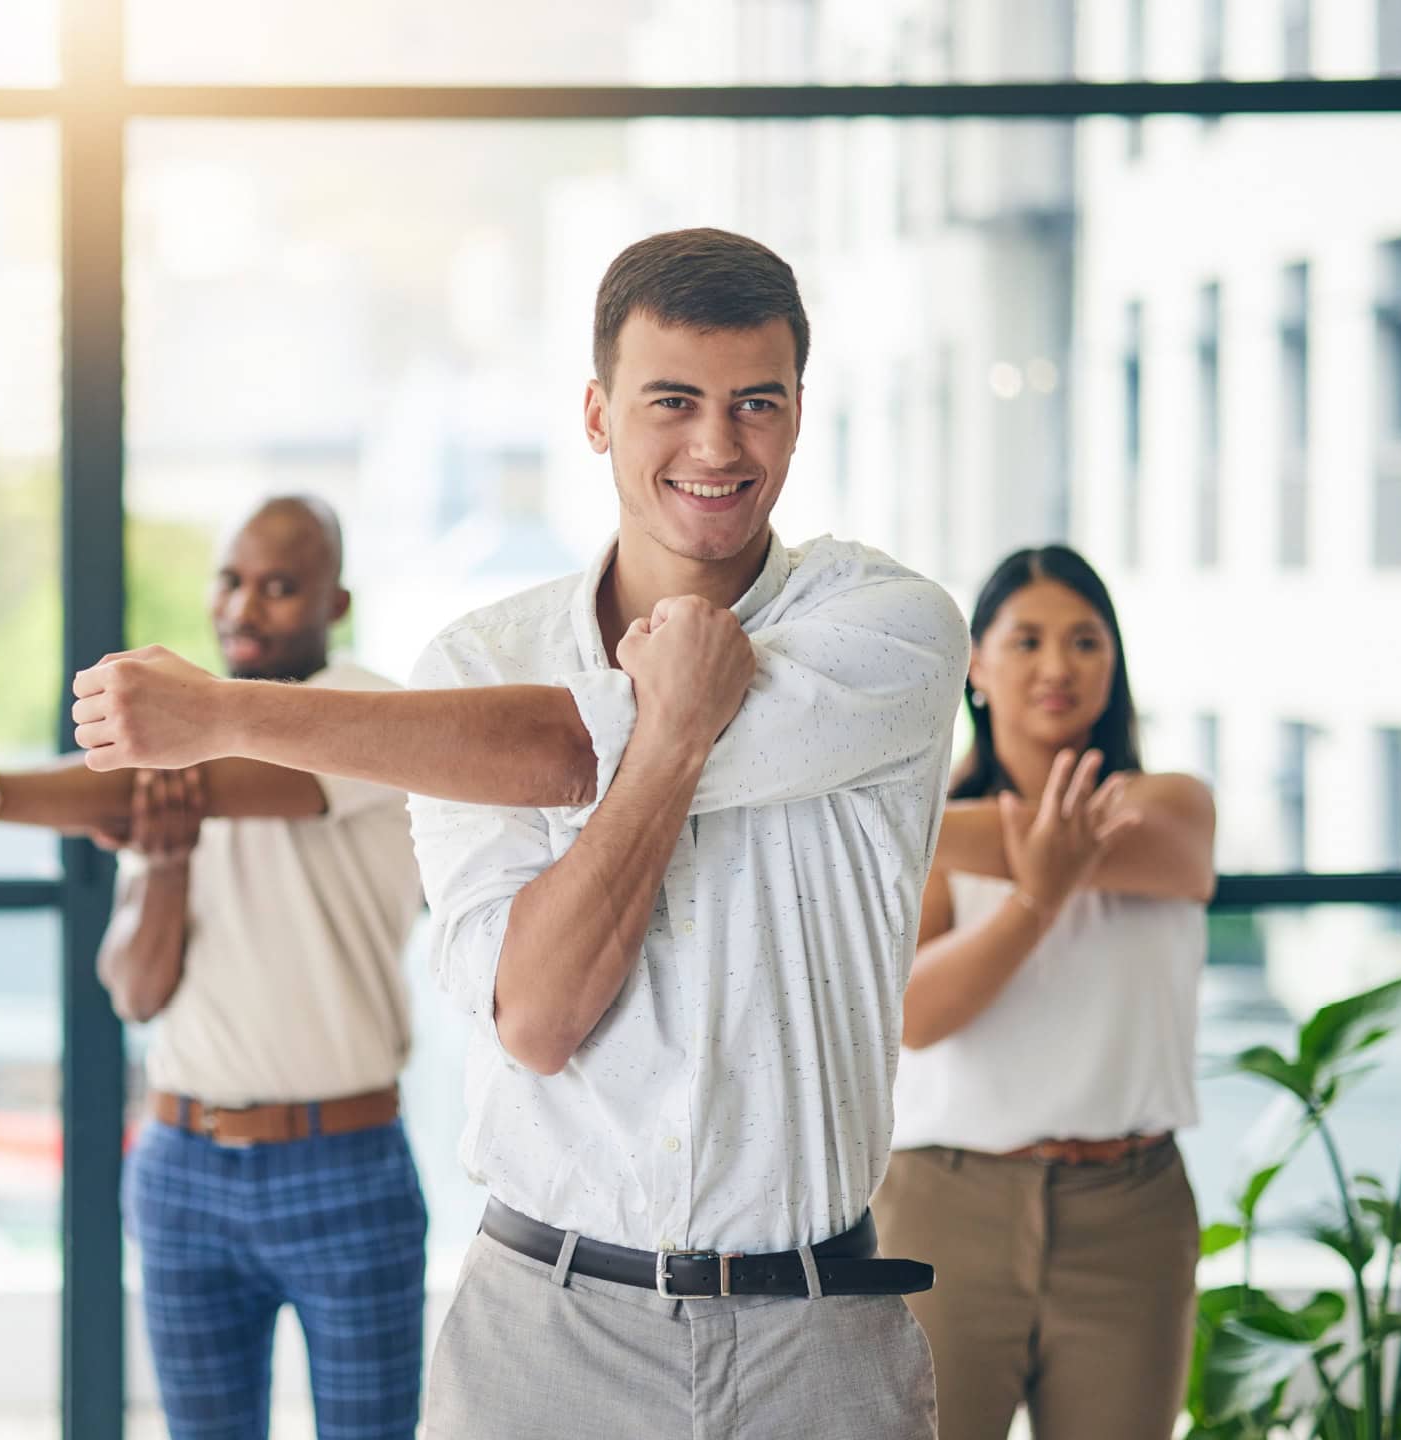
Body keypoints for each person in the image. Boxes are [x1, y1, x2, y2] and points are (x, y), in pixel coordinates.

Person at [63, 228, 965, 1438]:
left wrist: (223, 714)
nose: (716, 444)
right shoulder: (478, 667)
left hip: (818, 1339)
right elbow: (537, 1019)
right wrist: (678, 727)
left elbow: (567, 747)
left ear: (800, 415)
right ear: (596, 415)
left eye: (757, 402)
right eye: (672, 401)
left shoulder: (888, 627)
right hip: (546, 1336)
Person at [0, 496, 431, 1439]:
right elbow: (135, 990)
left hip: (344, 1163)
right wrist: (163, 863)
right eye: (231, 579)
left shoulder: (365, 710)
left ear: (335, 604)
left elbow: (196, 784)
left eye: (281, 588)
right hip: (183, 1164)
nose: (244, 609)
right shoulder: (173, 753)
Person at [875, 544, 1217, 1440]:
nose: (1058, 665)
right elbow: (916, 1019)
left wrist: (947, 835)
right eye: (1026, 641)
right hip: (948, 1204)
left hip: (1130, 1211)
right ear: (977, 666)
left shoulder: (1172, 807)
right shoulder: (936, 834)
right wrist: (1038, 897)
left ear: (1115, 662)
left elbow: (1155, 852)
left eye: (1085, 641)